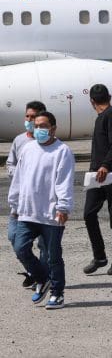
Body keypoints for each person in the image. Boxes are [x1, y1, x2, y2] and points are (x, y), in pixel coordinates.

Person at [9, 110, 75, 309]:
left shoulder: (62, 151)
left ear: (53, 129)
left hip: (51, 214)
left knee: (52, 255)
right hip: (27, 211)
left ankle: (57, 293)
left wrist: (63, 206)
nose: (39, 129)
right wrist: (14, 203)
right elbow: (19, 178)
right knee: (20, 248)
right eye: (36, 126)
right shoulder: (28, 149)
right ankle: (41, 278)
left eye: (43, 126)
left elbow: (64, 181)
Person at [83, 84, 112, 276]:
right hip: (97, 176)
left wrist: (105, 165)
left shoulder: (111, 115)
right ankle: (100, 256)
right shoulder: (102, 117)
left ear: (92, 101)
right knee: (88, 214)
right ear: (109, 96)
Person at [5, 100, 47, 288]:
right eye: (27, 116)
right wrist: (19, 173)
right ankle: (34, 270)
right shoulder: (19, 140)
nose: (29, 120)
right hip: (18, 203)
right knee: (15, 239)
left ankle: (42, 276)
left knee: (44, 245)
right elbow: (10, 163)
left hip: (39, 204)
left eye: (33, 117)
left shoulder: (45, 143)